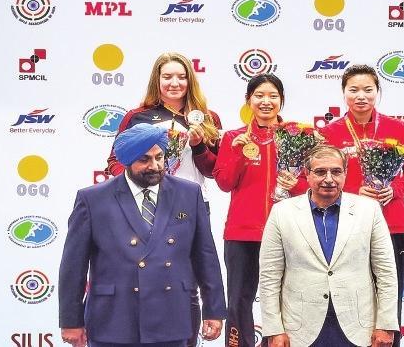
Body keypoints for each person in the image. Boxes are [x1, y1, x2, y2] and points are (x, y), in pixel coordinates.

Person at [60, 124, 227, 347]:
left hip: (172, 317)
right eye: (144, 159)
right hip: (113, 320)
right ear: (127, 161)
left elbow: (205, 255)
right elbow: (73, 266)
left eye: (159, 157)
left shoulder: (189, 193)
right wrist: (71, 321)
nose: (155, 166)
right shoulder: (93, 199)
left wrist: (214, 310)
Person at [105, 52, 221, 346]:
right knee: (140, 278)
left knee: (187, 284)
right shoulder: (137, 116)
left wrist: (198, 146)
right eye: (167, 76)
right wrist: (135, 184)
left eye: (181, 77)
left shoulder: (207, 118)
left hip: (190, 208)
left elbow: (213, 171)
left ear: (190, 80)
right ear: (156, 80)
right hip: (145, 207)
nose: (174, 83)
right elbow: (115, 161)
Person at [317, 64, 404, 347]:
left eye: (368, 89)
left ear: (377, 91)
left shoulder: (397, 129)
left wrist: (394, 189)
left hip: (392, 224)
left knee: (390, 300)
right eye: (353, 90)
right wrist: (353, 192)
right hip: (346, 227)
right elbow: (317, 177)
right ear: (343, 93)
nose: (361, 96)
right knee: (349, 301)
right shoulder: (329, 133)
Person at [259, 145, 398, 347]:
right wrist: (273, 329)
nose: (329, 179)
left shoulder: (369, 210)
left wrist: (386, 324)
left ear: (345, 173)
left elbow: (386, 272)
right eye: (320, 172)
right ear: (307, 174)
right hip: (299, 331)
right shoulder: (282, 212)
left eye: (336, 171)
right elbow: (269, 276)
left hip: (358, 330)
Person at [212, 74, 303, 347]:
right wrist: (240, 154)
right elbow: (224, 183)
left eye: (273, 96)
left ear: (281, 100)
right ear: (248, 100)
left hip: (287, 232)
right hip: (242, 234)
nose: (266, 101)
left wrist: (296, 185)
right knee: (239, 299)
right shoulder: (233, 138)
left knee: (289, 299)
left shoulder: (298, 138)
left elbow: (314, 185)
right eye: (259, 95)